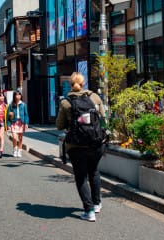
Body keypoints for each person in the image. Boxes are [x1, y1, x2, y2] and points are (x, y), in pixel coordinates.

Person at [56, 72, 105, 222]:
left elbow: (59, 125)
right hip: (96, 143)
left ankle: (88, 210)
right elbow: (103, 119)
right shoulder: (95, 97)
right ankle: (97, 204)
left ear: (71, 84)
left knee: (81, 177)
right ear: (83, 83)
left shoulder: (66, 102)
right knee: (94, 172)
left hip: (76, 145)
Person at [7, 90, 29, 158]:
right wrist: (8, 125)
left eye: (19, 95)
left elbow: (26, 115)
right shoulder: (11, 105)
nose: (18, 96)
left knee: (20, 138)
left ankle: (19, 150)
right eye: (16, 95)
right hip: (14, 122)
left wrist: (26, 123)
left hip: (21, 123)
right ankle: (15, 149)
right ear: (14, 96)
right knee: (14, 138)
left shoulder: (23, 104)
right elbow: (8, 115)